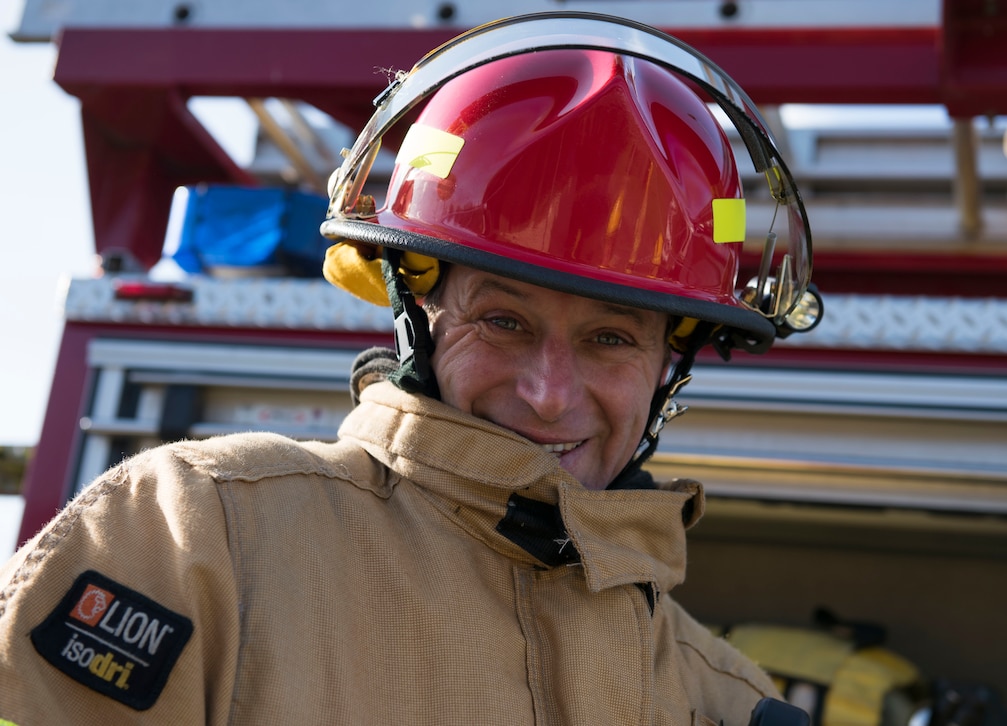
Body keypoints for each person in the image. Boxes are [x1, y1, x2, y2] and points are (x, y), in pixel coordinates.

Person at [0, 12, 820, 724]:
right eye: (503, 321)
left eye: (612, 339)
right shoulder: (193, 537)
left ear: (669, 365)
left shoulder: (722, 700)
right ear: (416, 314)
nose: (548, 392)